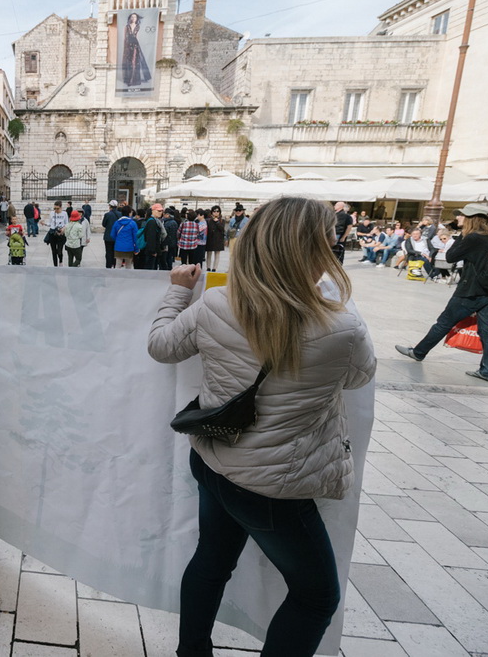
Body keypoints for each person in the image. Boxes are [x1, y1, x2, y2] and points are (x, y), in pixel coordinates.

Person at [147, 196, 376, 657]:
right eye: (330, 243)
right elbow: (359, 376)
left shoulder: (215, 303)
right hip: (274, 487)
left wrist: (176, 289)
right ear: (314, 252)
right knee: (316, 596)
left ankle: (191, 652)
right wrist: (329, 300)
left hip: (213, 458)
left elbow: (161, 347)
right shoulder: (343, 327)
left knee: (211, 561)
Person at [396, 203, 488, 382]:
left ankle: (419, 352)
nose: (458, 218)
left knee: (443, 323)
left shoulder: (472, 238)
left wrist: (462, 236)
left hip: (470, 291)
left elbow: (450, 257)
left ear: (471, 218)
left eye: (462, 215)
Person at [121, 12, 151, 87]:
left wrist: (138, 45)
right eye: (132, 17)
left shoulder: (138, 26)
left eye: (135, 17)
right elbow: (125, 37)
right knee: (129, 62)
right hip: (128, 44)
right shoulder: (127, 26)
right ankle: (128, 79)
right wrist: (125, 47)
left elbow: (137, 36)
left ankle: (132, 80)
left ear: (137, 18)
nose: (133, 18)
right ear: (130, 18)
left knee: (134, 62)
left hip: (135, 45)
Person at [205, 205, 226, 272]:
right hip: (210, 239)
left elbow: (222, 229)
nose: (216, 213)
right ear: (211, 212)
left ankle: (214, 268)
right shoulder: (208, 220)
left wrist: (217, 222)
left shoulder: (222, 220)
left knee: (217, 254)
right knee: (209, 254)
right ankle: (208, 267)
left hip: (218, 239)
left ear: (220, 212)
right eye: (214, 211)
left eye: (217, 211)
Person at [48, 201, 68, 266]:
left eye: (57, 208)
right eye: (54, 208)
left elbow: (67, 223)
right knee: (53, 251)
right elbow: (50, 223)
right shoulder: (51, 213)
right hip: (53, 233)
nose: (56, 210)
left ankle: (61, 261)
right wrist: (44, 223)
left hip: (61, 234)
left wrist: (63, 229)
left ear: (61, 207)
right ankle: (55, 265)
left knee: (59, 251)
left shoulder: (64, 214)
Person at [102, 201, 121, 269]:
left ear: (110, 206)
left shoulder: (107, 214)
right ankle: (114, 263)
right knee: (115, 251)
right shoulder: (120, 214)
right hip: (117, 236)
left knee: (108, 251)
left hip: (108, 236)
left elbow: (104, 224)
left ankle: (108, 265)